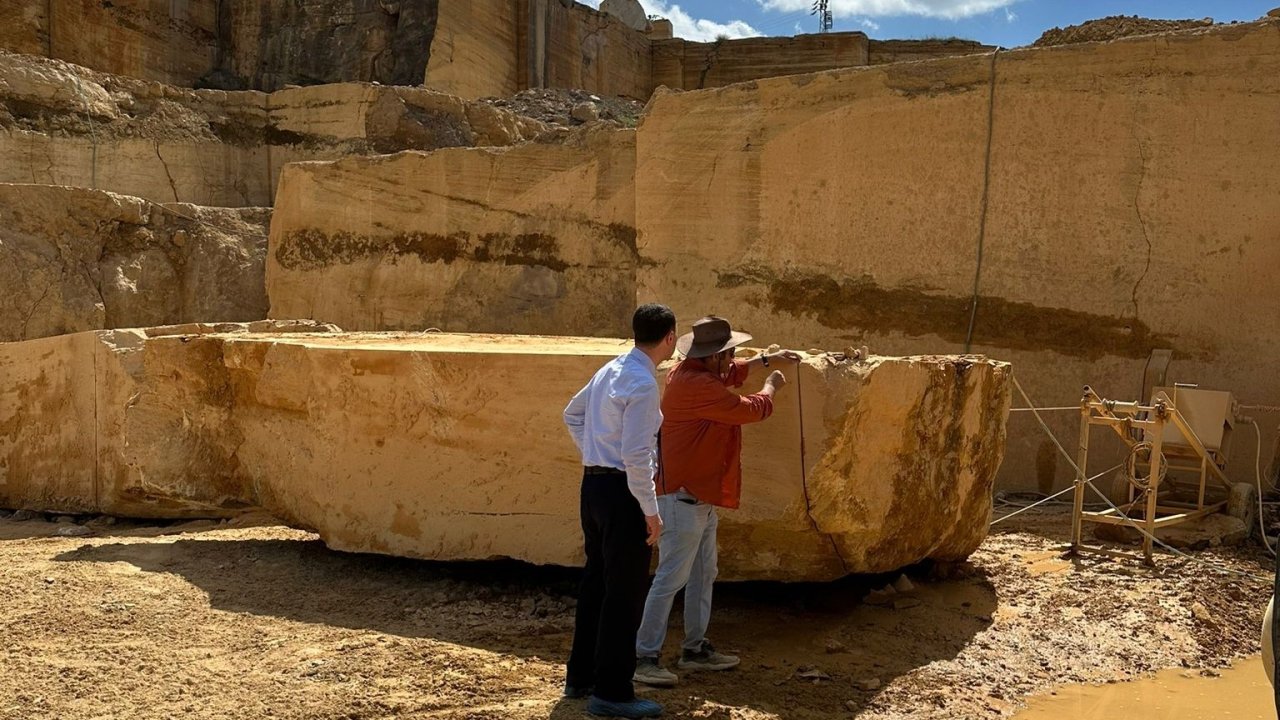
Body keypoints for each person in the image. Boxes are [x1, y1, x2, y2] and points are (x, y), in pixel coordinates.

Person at [633, 315, 799, 687]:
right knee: (670, 579)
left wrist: (765, 361)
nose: (730, 360)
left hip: (697, 495)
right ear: (710, 358)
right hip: (683, 497)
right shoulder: (697, 385)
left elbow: (731, 373)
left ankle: (695, 649)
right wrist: (771, 386)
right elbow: (749, 409)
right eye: (726, 354)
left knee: (703, 573)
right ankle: (643, 657)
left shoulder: (692, 372)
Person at [563, 303, 677, 719]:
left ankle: (581, 677)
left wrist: (595, 453)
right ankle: (612, 691)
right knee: (624, 595)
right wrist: (650, 511)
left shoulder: (609, 369)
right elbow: (636, 456)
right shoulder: (643, 384)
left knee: (596, 583)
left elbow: (571, 414)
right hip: (622, 493)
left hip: (593, 486)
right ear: (669, 338)